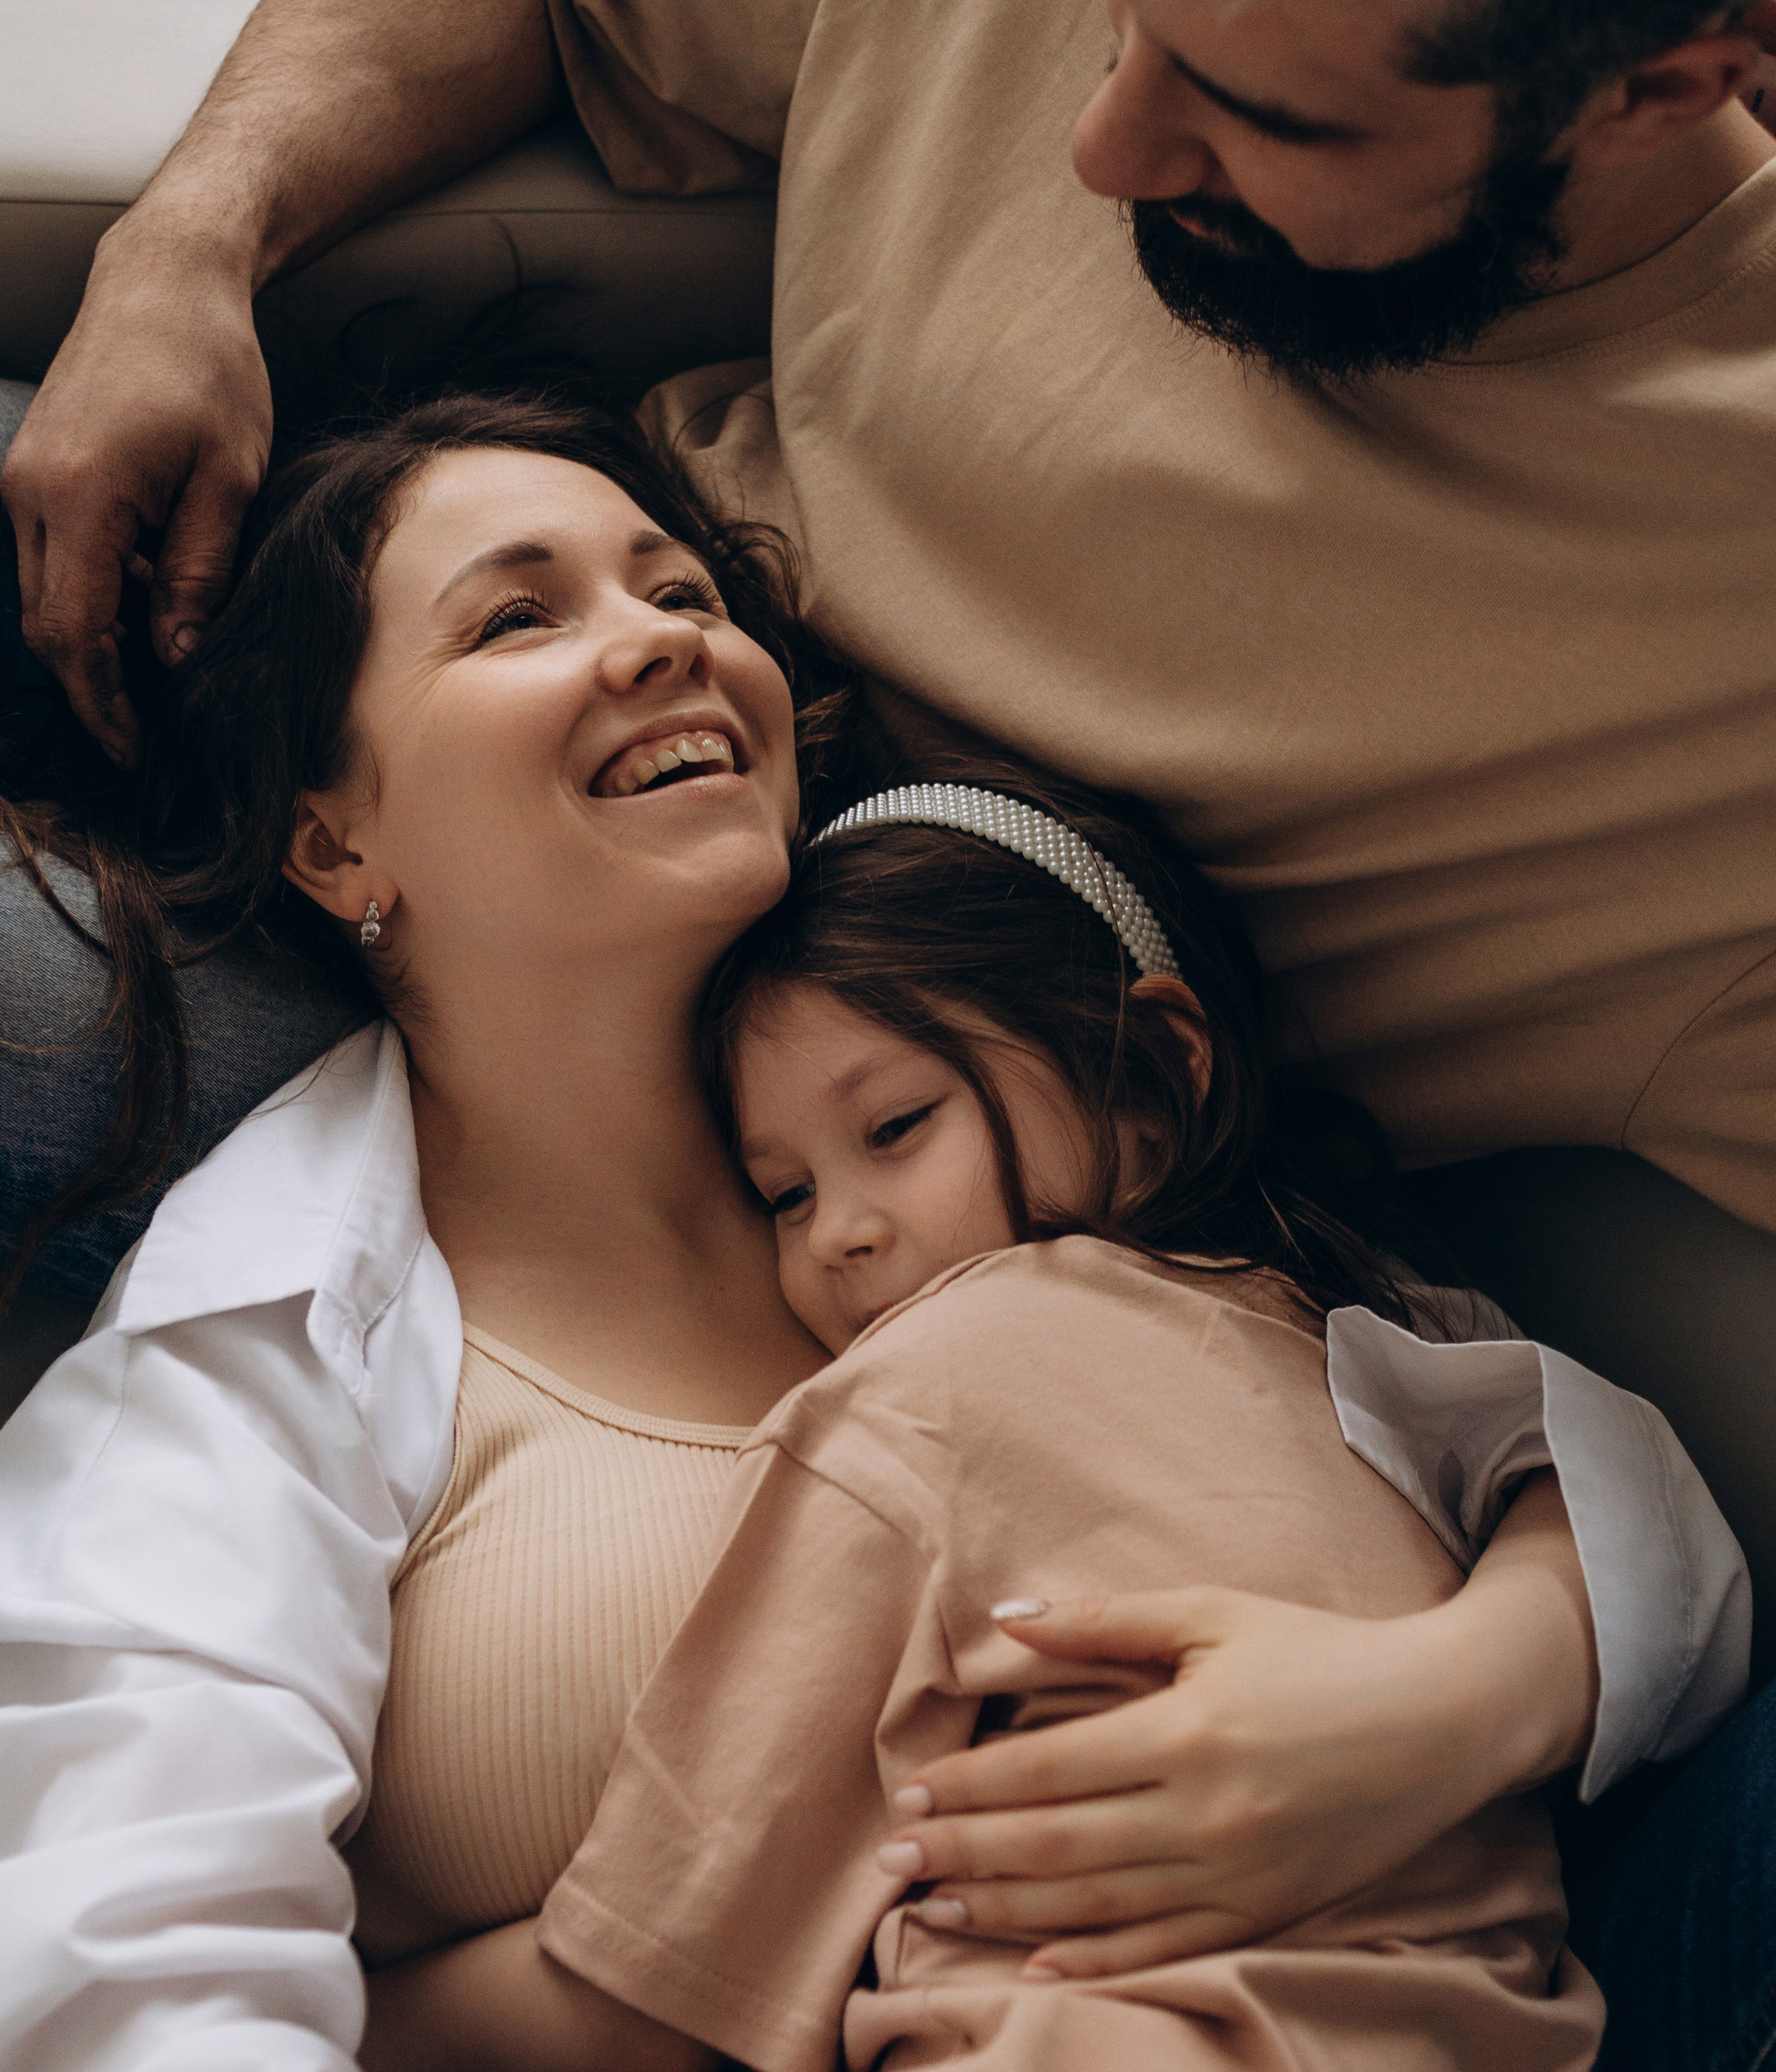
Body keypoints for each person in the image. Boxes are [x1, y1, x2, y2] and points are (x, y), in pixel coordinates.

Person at [6, 0, 1776, 2047]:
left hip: (1077, 1081)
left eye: (1258, 110)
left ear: (1678, 75)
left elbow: (1574, 1446)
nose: (1091, 141)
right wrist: (191, 245)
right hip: (481, 860)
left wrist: (1484, 1687)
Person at [0, 402, 1743, 2071]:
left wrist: (1443, 1705)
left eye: (683, 590)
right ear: (333, 835)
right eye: (515, 617)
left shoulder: (1055, 1146)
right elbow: (128, 1958)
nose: (660, 638)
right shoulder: (259, 1345)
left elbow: (1546, 1442)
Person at [350, 774, 1648, 2069]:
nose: (844, 1232)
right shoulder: (1389, 1344)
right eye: (785, 1194)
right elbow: (1643, 1519)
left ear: (1152, 1069)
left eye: (900, 1125)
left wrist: (334, 1989)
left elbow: (641, 2003)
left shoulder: (924, 1392)